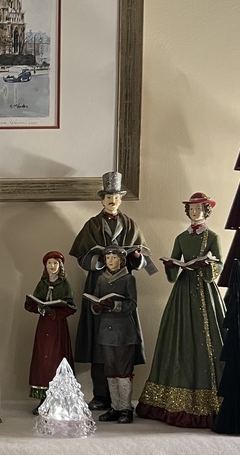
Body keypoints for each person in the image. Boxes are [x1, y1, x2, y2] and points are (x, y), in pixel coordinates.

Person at [136, 192, 226, 427]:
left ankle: (210, 400)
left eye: (198, 209)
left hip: (204, 292)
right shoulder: (181, 238)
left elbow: (219, 265)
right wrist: (171, 265)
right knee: (179, 336)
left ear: (206, 211)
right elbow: (173, 270)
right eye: (191, 209)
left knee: (208, 337)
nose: (194, 212)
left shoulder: (212, 237)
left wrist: (208, 266)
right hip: (183, 291)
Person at [70, 172, 155, 409]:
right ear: (102, 200)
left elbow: (144, 260)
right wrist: (99, 259)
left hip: (122, 282)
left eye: (116, 197)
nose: (112, 201)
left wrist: (135, 257)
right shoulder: (92, 224)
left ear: (121, 200)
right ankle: (100, 395)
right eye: (108, 197)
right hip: (98, 281)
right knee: (98, 338)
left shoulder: (130, 224)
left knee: (122, 339)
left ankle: (122, 400)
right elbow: (81, 256)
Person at [88, 246, 143, 423]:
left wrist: (114, 305)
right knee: (110, 370)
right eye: (107, 258)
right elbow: (94, 301)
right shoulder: (101, 279)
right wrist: (97, 306)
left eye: (113, 257)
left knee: (124, 370)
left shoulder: (128, 278)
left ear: (121, 259)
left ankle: (125, 408)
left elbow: (132, 304)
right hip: (106, 332)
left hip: (124, 331)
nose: (110, 261)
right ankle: (115, 406)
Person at [24, 251, 76, 413]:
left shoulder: (64, 284)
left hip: (58, 326)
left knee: (57, 358)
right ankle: (44, 399)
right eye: (49, 263)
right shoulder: (42, 284)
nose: (52, 266)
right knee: (43, 358)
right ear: (45, 266)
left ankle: (60, 399)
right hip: (44, 325)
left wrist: (55, 312)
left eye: (55, 263)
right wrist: (39, 307)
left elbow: (70, 307)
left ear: (60, 266)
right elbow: (32, 303)